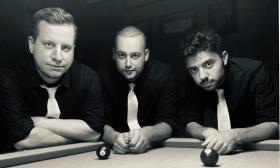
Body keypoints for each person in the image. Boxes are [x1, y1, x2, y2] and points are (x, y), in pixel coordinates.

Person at [0, 7, 104, 152]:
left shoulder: (87, 78)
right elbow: (24, 141)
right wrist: (81, 135)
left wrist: (41, 122)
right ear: (32, 44)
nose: (58, 57)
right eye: (49, 44)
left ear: (74, 48)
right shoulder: (9, 78)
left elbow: (94, 131)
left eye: (66, 47)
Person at [178, 28, 279, 154]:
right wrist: (206, 131)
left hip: (255, 151)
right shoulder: (192, 80)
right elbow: (190, 123)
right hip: (217, 148)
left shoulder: (254, 72)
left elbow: (273, 125)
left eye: (208, 64)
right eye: (194, 69)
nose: (202, 76)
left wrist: (235, 135)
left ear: (224, 58)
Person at [98, 26, 177, 154]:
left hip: (155, 150)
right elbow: (100, 123)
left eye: (135, 56)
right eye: (121, 55)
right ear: (113, 54)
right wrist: (114, 137)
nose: (128, 63)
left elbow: (169, 123)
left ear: (146, 55)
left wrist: (147, 134)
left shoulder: (163, 74)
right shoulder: (104, 74)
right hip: (118, 148)